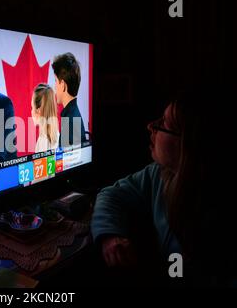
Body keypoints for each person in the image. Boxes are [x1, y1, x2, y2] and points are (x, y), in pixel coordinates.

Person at [91, 88, 236, 286]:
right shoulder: (159, 174)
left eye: (164, 124)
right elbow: (111, 194)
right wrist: (109, 235)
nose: (151, 126)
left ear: (188, 144)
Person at [51, 52, 86, 147]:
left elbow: (67, 161)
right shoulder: (72, 115)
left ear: (62, 85)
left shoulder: (70, 121)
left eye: (55, 81)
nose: (54, 87)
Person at [31, 83, 59, 153]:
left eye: (32, 107)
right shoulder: (56, 135)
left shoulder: (44, 140)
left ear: (39, 111)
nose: (31, 111)